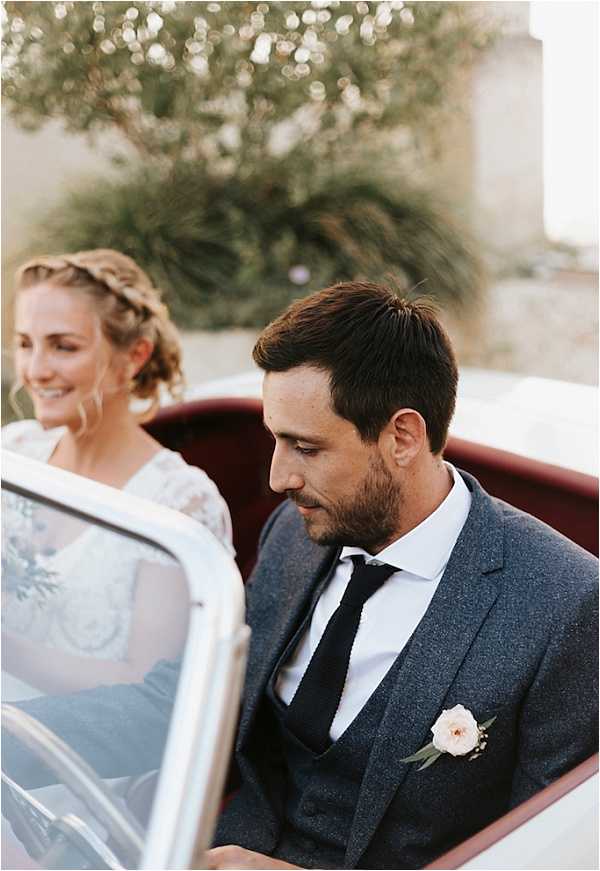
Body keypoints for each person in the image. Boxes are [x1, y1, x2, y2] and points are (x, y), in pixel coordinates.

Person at [3, 283, 597, 870]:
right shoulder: (295, 532)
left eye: (305, 447)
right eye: (273, 440)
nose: (277, 478)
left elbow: (544, 855)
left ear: (403, 437)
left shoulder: (564, 604)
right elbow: (184, 701)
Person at [2, 249, 233, 696]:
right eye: (26, 344)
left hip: (83, 759)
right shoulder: (13, 452)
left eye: (64, 346)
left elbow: (148, 693)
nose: (35, 370)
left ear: (134, 356)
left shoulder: (179, 503)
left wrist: (8, 651)